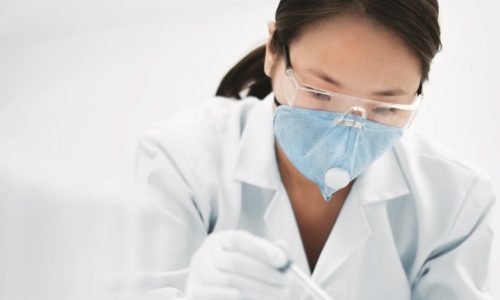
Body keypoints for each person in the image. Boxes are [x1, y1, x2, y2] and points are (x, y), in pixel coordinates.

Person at [134, 0, 495, 299]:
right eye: (321, 93)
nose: (348, 131)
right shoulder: (182, 158)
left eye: (385, 108)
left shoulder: (457, 201)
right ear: (275, 52)